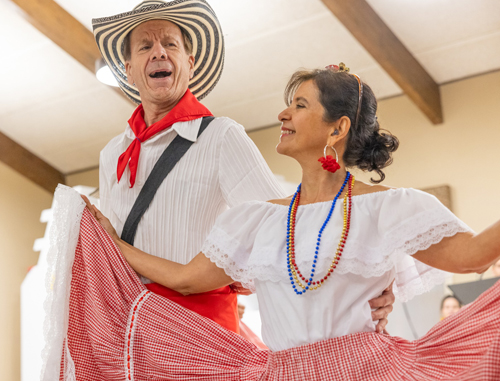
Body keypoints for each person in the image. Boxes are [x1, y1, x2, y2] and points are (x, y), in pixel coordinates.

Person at [45, 63, 500, 380]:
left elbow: (474, 256)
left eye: (299, 105)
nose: (282, 113)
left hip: (369, 370)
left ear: (336, 129)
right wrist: (110, 243)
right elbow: (185, 280)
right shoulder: (257, 221)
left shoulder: (391, 207)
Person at [92, 0, 393, 336]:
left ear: (189, 64)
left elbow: (288, 228)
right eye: (145, 46)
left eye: (170, 44)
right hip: (130, 332)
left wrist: (363, 285)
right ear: (129, 67)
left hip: (200, 333)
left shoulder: (221, 136)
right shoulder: (112, 154)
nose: (159, 52)